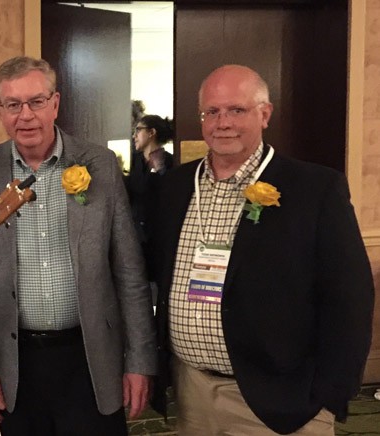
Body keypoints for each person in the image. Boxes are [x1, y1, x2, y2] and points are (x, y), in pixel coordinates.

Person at [150, 64, 374, 435]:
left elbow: (350, 298)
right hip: (191, 391)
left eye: (236, 110)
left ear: (264, 114)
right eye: (212, 112)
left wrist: (331, 393)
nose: (223, 122)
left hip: (281, 400)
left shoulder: (315, 188)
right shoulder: (175, 186)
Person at [0, 56, 157, 435]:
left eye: (36, 101)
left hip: (92, 357)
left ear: (55, 103)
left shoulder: (98, 164)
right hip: (16, 362)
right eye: (13, 105)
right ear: (0, 111)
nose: (26, 115)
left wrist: (140, 360)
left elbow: (129, 271)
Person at [127, 114, 175, 248]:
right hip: (134, 235)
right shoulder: (132, 161)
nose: (134, 136)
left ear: (151, 133)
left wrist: (159, 170)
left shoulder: (170, 161)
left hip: (159, 234)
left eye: (138, 130)